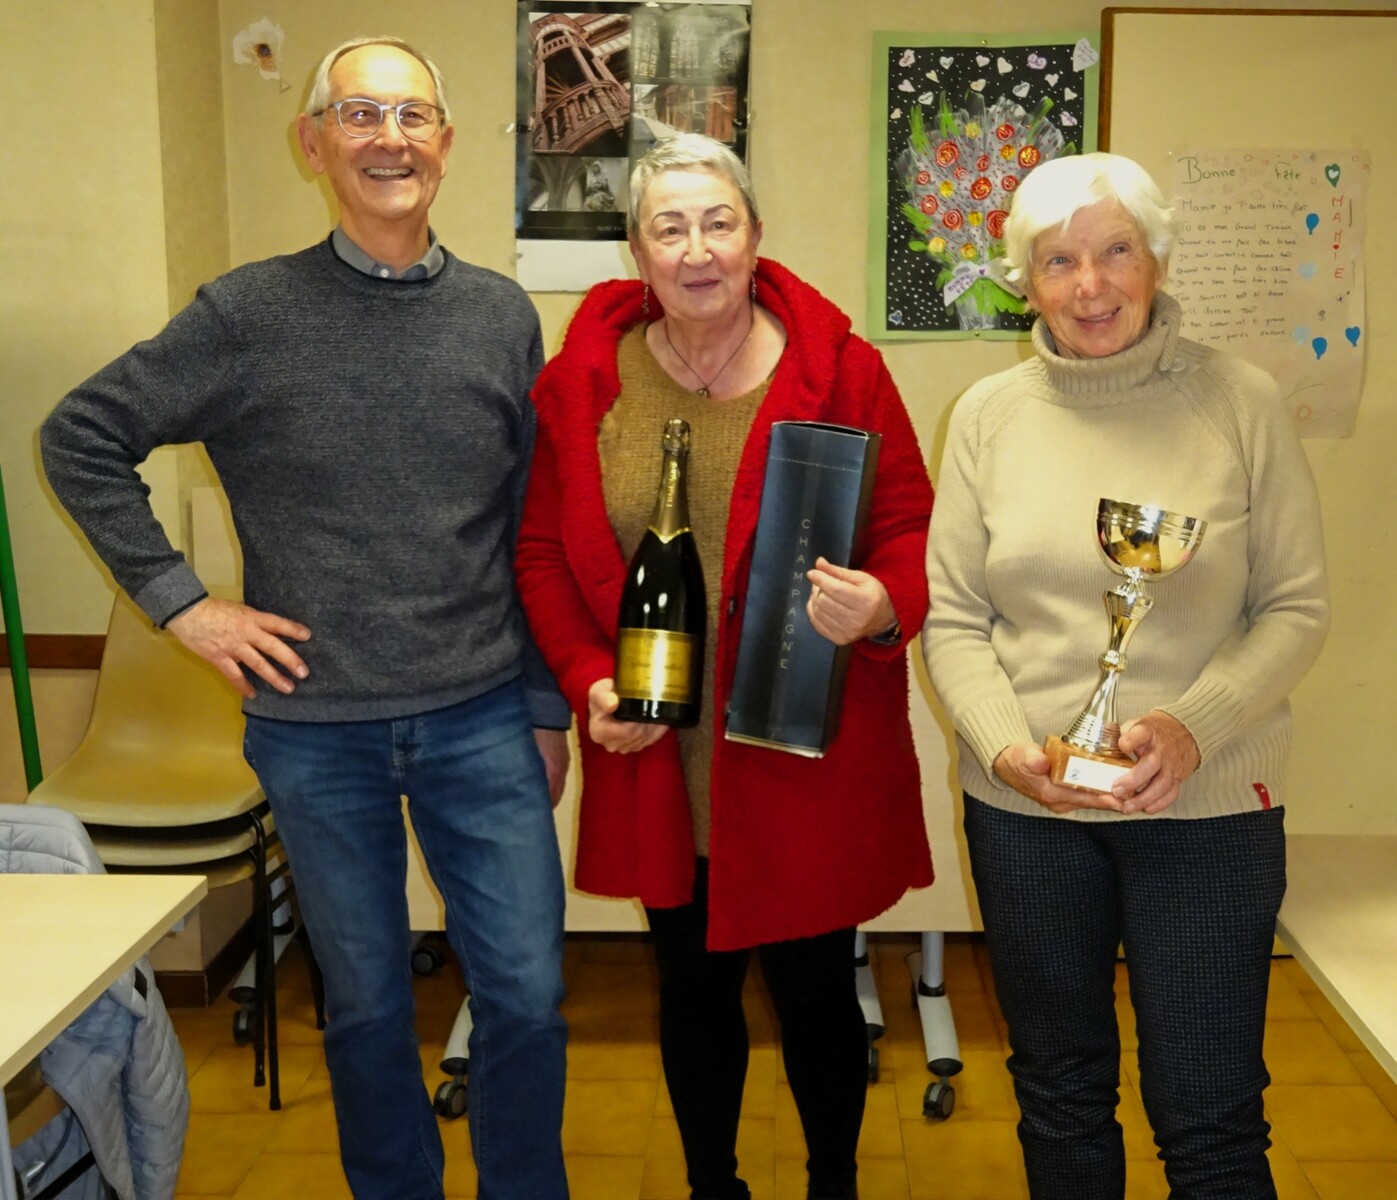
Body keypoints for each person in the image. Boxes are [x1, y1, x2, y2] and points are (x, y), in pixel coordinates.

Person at [40, 37, 571, 1200]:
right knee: (366, 1006)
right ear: (313, 141)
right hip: (314, 731)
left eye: (411, 115)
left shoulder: (498, 317)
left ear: (444, 143)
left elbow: (526, 525)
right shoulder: (246, 315)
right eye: (359, 113)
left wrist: (543, 705)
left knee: (528, 996)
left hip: (482, 715)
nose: (389, 138)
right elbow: (80, 437)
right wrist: (184, 607)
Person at [515, 133, 934, 1200]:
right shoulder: (582, 383)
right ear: (636, 252)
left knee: (815, 994)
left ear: (754, 238)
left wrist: (883, 602)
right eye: (670, 229)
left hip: (800, 748)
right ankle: (714, 1187)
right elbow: (541, 554)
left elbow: (905, 526)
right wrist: (585, 678)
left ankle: (832, 1184)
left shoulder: (840, 370)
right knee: (692, 993)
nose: (696, 250)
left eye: (718, 223)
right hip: (659, 748)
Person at [921, 152, 1329, 1199]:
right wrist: (1004, 750)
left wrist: (1194, 726)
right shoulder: (985, 417)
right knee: (1058, 1094)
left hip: (1207, 812)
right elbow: (954, 620)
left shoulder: (1239, 402)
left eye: (1115, 252)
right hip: (1027, 813)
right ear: (1024, 279)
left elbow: (1293, 607)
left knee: (1209, 1115)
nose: (1090, 285)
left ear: (1156, 260)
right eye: (1058, 261)